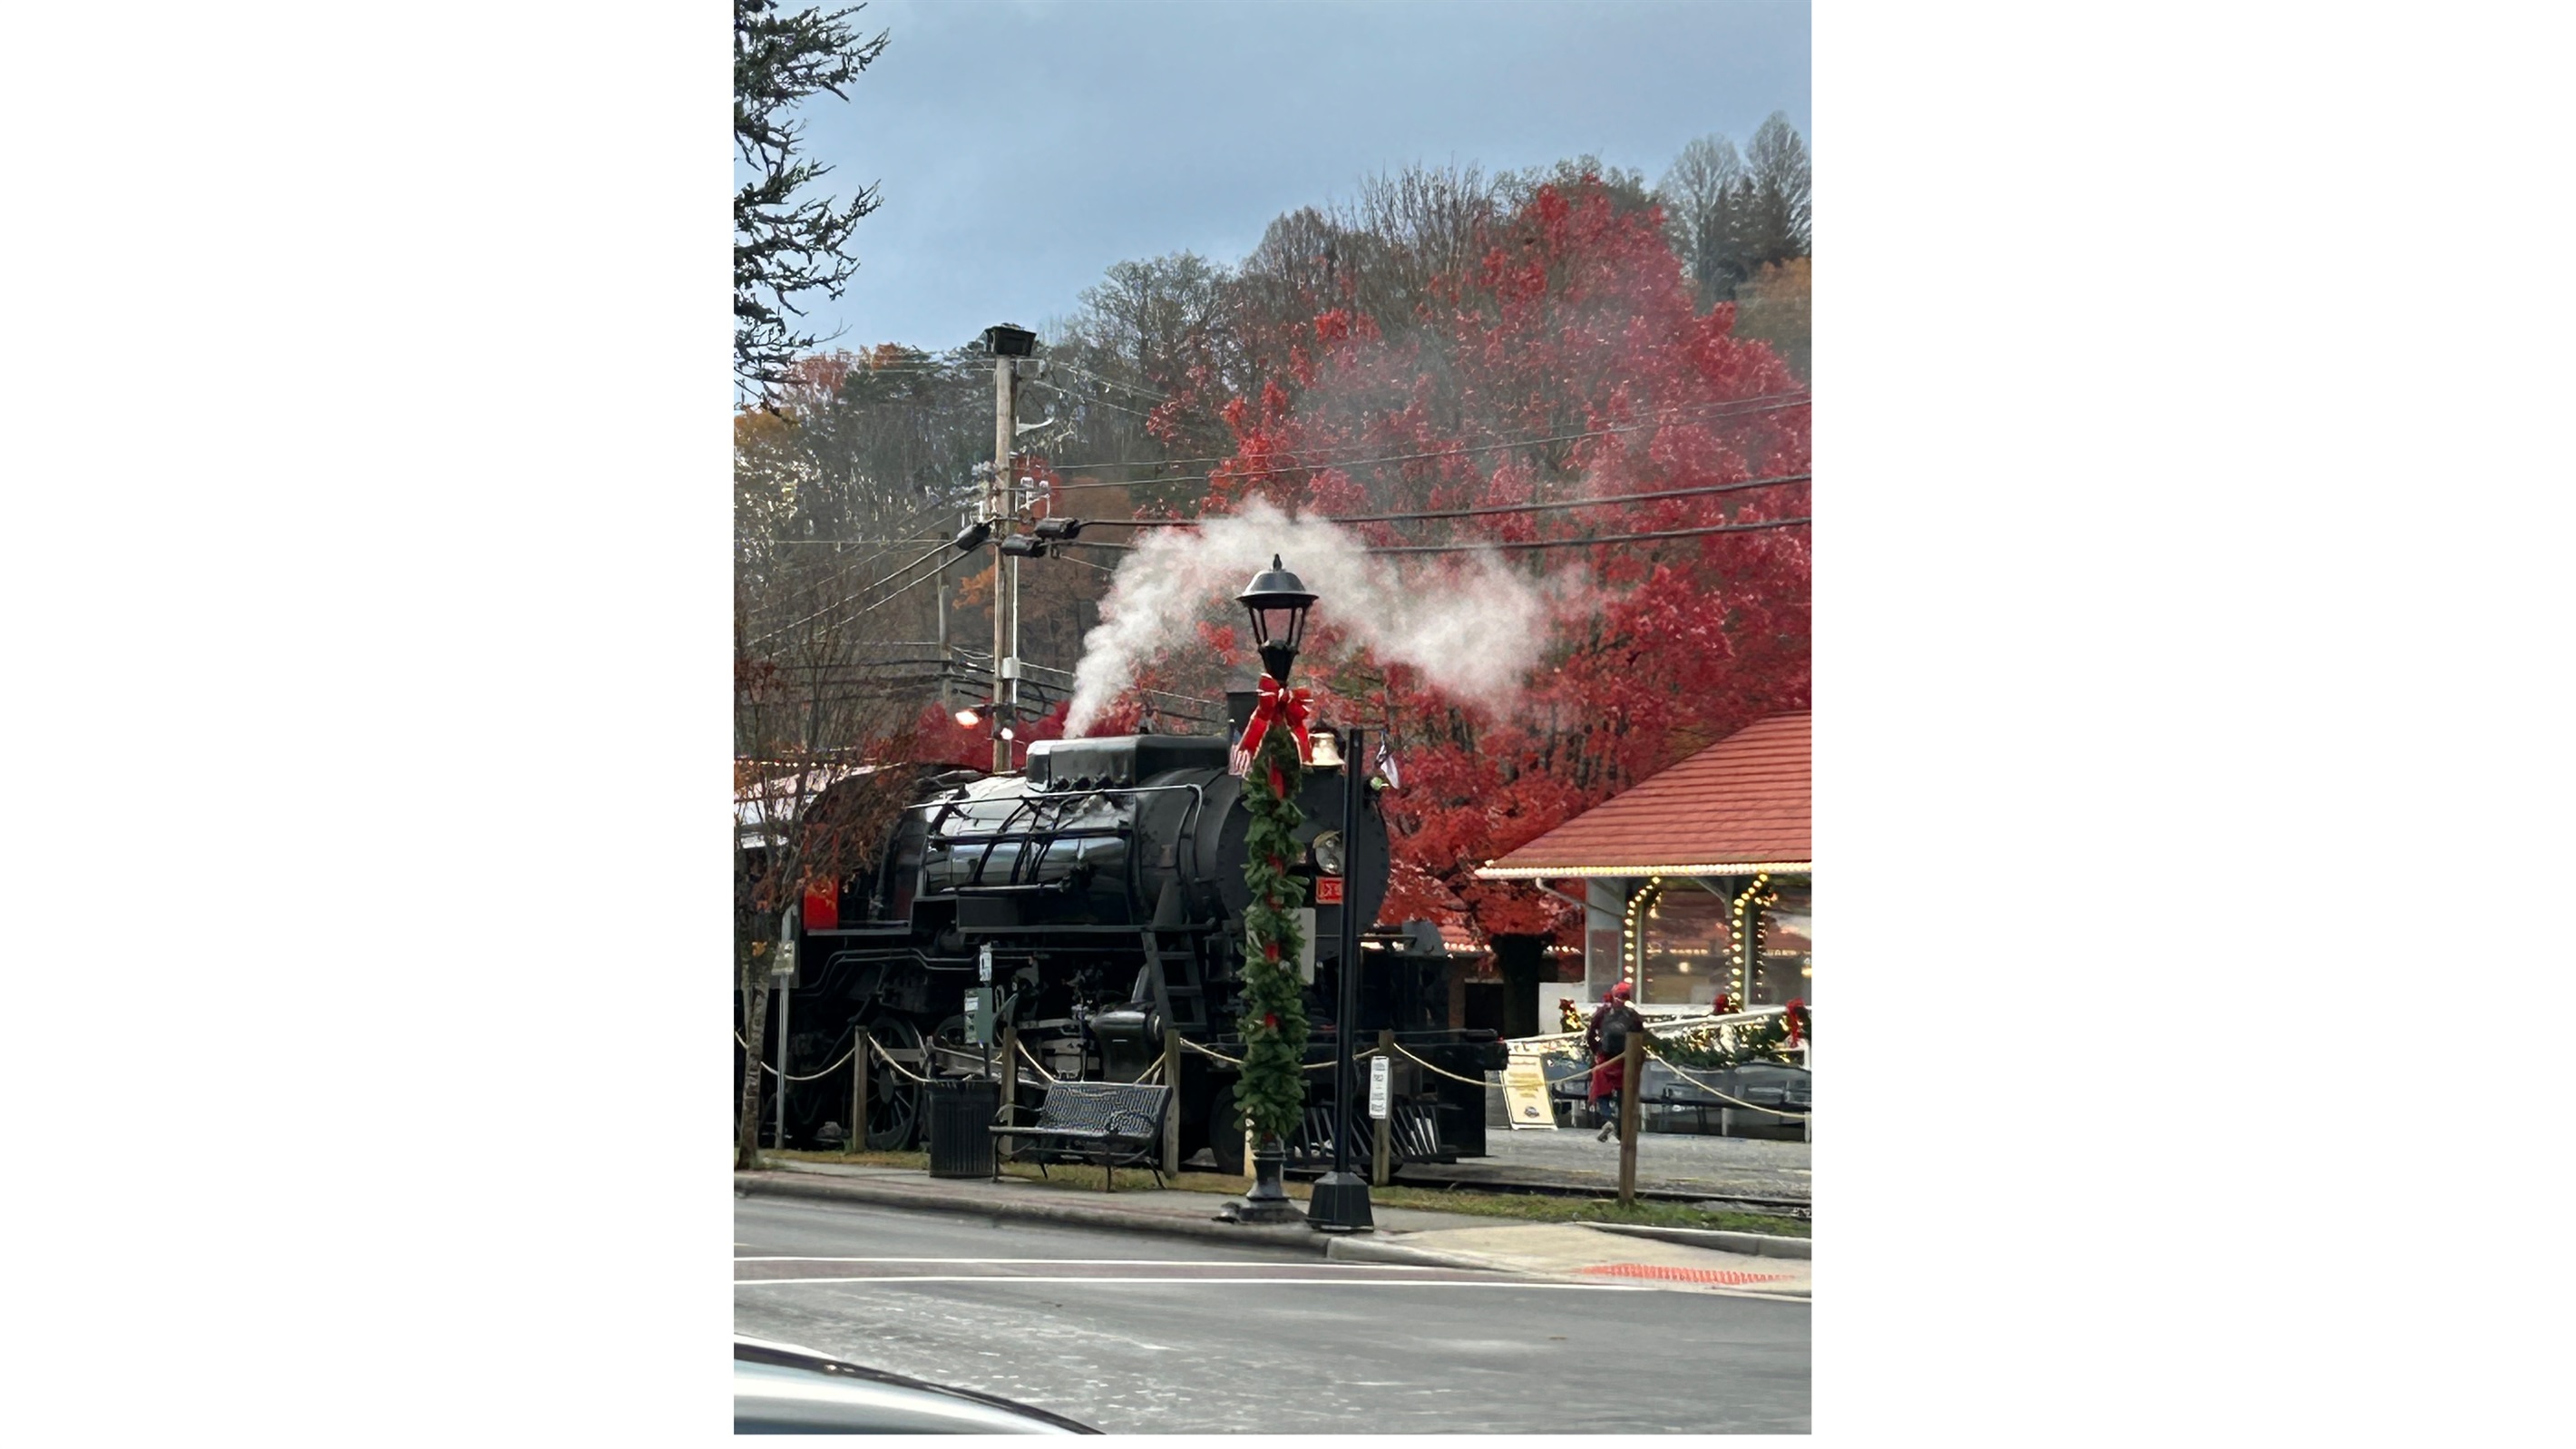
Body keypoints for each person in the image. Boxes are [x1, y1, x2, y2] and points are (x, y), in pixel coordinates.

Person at [1584, 981, 1646, 1142]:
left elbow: (1591, 1034)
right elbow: (1641, 1036)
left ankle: (1609, 1118)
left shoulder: (1603, 1012)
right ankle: (1622, 1131)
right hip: (1626, 1059)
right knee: (1623, 1097)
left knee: (1601, 1091)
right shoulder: (1632, 1015)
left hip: (1606, 1058)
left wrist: (1597, 1050)